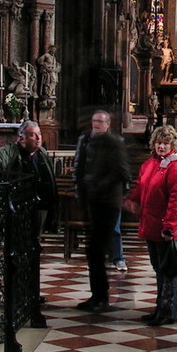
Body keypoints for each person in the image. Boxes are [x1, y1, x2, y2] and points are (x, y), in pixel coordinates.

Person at [0, 120, 59, 305]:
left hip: (39, 209)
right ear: (21, 138)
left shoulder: (42, 153)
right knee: (18, 252)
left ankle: (30, 291)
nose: (38, 138)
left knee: (33, 251)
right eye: (33, 135)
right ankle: (16, 293)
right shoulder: (11, 151)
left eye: (39, 134)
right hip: (19, 211)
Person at [125, 125, 177, 326]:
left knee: (168, 270)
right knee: (158, 269)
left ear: (172, 145)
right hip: (150, 224)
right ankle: (159, 308)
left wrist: (169, 227)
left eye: (165, 143)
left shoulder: (176, 167)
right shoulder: (149, 164)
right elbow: (141, 186)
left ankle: (168, 311)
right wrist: (132, 200)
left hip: (165, 228)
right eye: (158, 143)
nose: (161, 146)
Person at [73, 110, 131, 311]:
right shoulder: (86, 140)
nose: (96, 124)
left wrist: (97, 185)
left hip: (108, 202)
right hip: (91, 201)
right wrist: (81, 191)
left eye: (100, 121)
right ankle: (97, 295)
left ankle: (102, 297)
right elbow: (79, 167)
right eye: (94, 120)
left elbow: (123, 172)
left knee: (96, 249)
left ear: (108, 124)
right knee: (93, 251)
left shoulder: (115, 143)